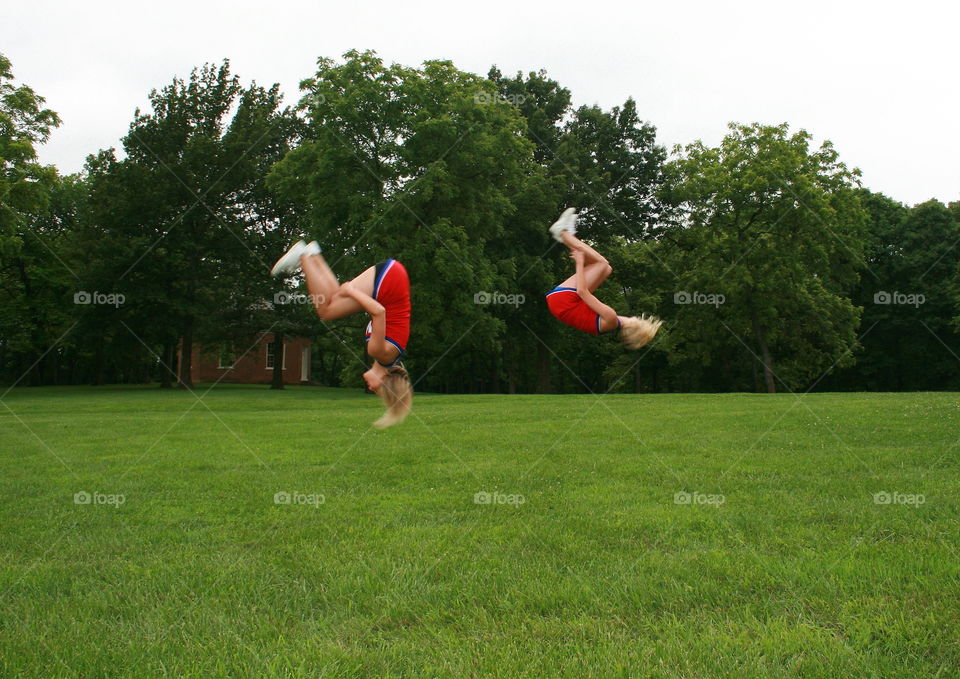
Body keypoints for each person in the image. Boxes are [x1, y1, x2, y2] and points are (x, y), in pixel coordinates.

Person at [271, 240, 412, 428]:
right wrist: (353, 291)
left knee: (332, 300)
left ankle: (314, 254)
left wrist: (351, 293)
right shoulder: (379, 352)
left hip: (393, 278)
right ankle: (303, 257)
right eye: (377, 391)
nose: (371, 388)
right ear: (385, 381)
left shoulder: (388, 355)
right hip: (389, 281)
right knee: (326, 311)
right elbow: (379, 312)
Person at [546, 208, 662, 349]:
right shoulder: (609, 324)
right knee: (606, 270)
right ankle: (569, 234)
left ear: (634, 324)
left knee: (602, 263)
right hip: (562, 305)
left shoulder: (611, 317)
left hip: (563, 301)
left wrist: (579, 263)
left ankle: (563, 233)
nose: (637, 317)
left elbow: (582, 292)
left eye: (639, 320)